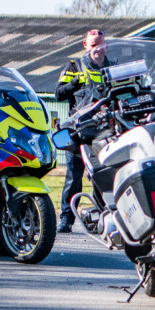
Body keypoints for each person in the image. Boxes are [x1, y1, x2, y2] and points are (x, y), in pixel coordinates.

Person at [53, 29, 117, 233]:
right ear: (85, 45)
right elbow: (58, 94)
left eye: (100, 45)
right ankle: (66, 219)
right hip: (78, 131)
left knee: (103, 175)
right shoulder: (74, 66)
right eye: (93, 46)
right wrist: (74, 83)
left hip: (103, 131)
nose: (97, 49)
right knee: (73, 177)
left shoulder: (112, 66)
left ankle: (103, 217)